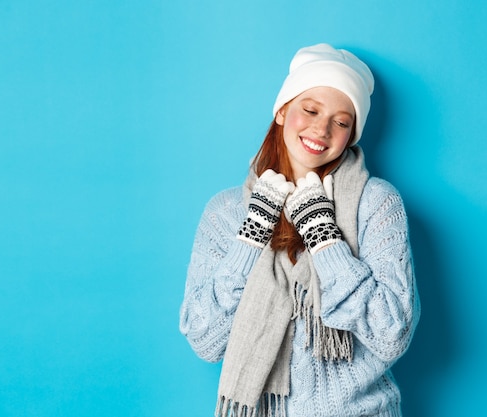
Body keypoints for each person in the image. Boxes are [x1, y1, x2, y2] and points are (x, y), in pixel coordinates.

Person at [179, 43, 420, 417]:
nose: (321, 129)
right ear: (281, 111)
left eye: (341, 122)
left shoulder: (376, 203)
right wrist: (249, 240)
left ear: (351, 135)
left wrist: (325, 238)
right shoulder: (226, 212)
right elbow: (204, 340)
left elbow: (392, 336)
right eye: (310, 110)